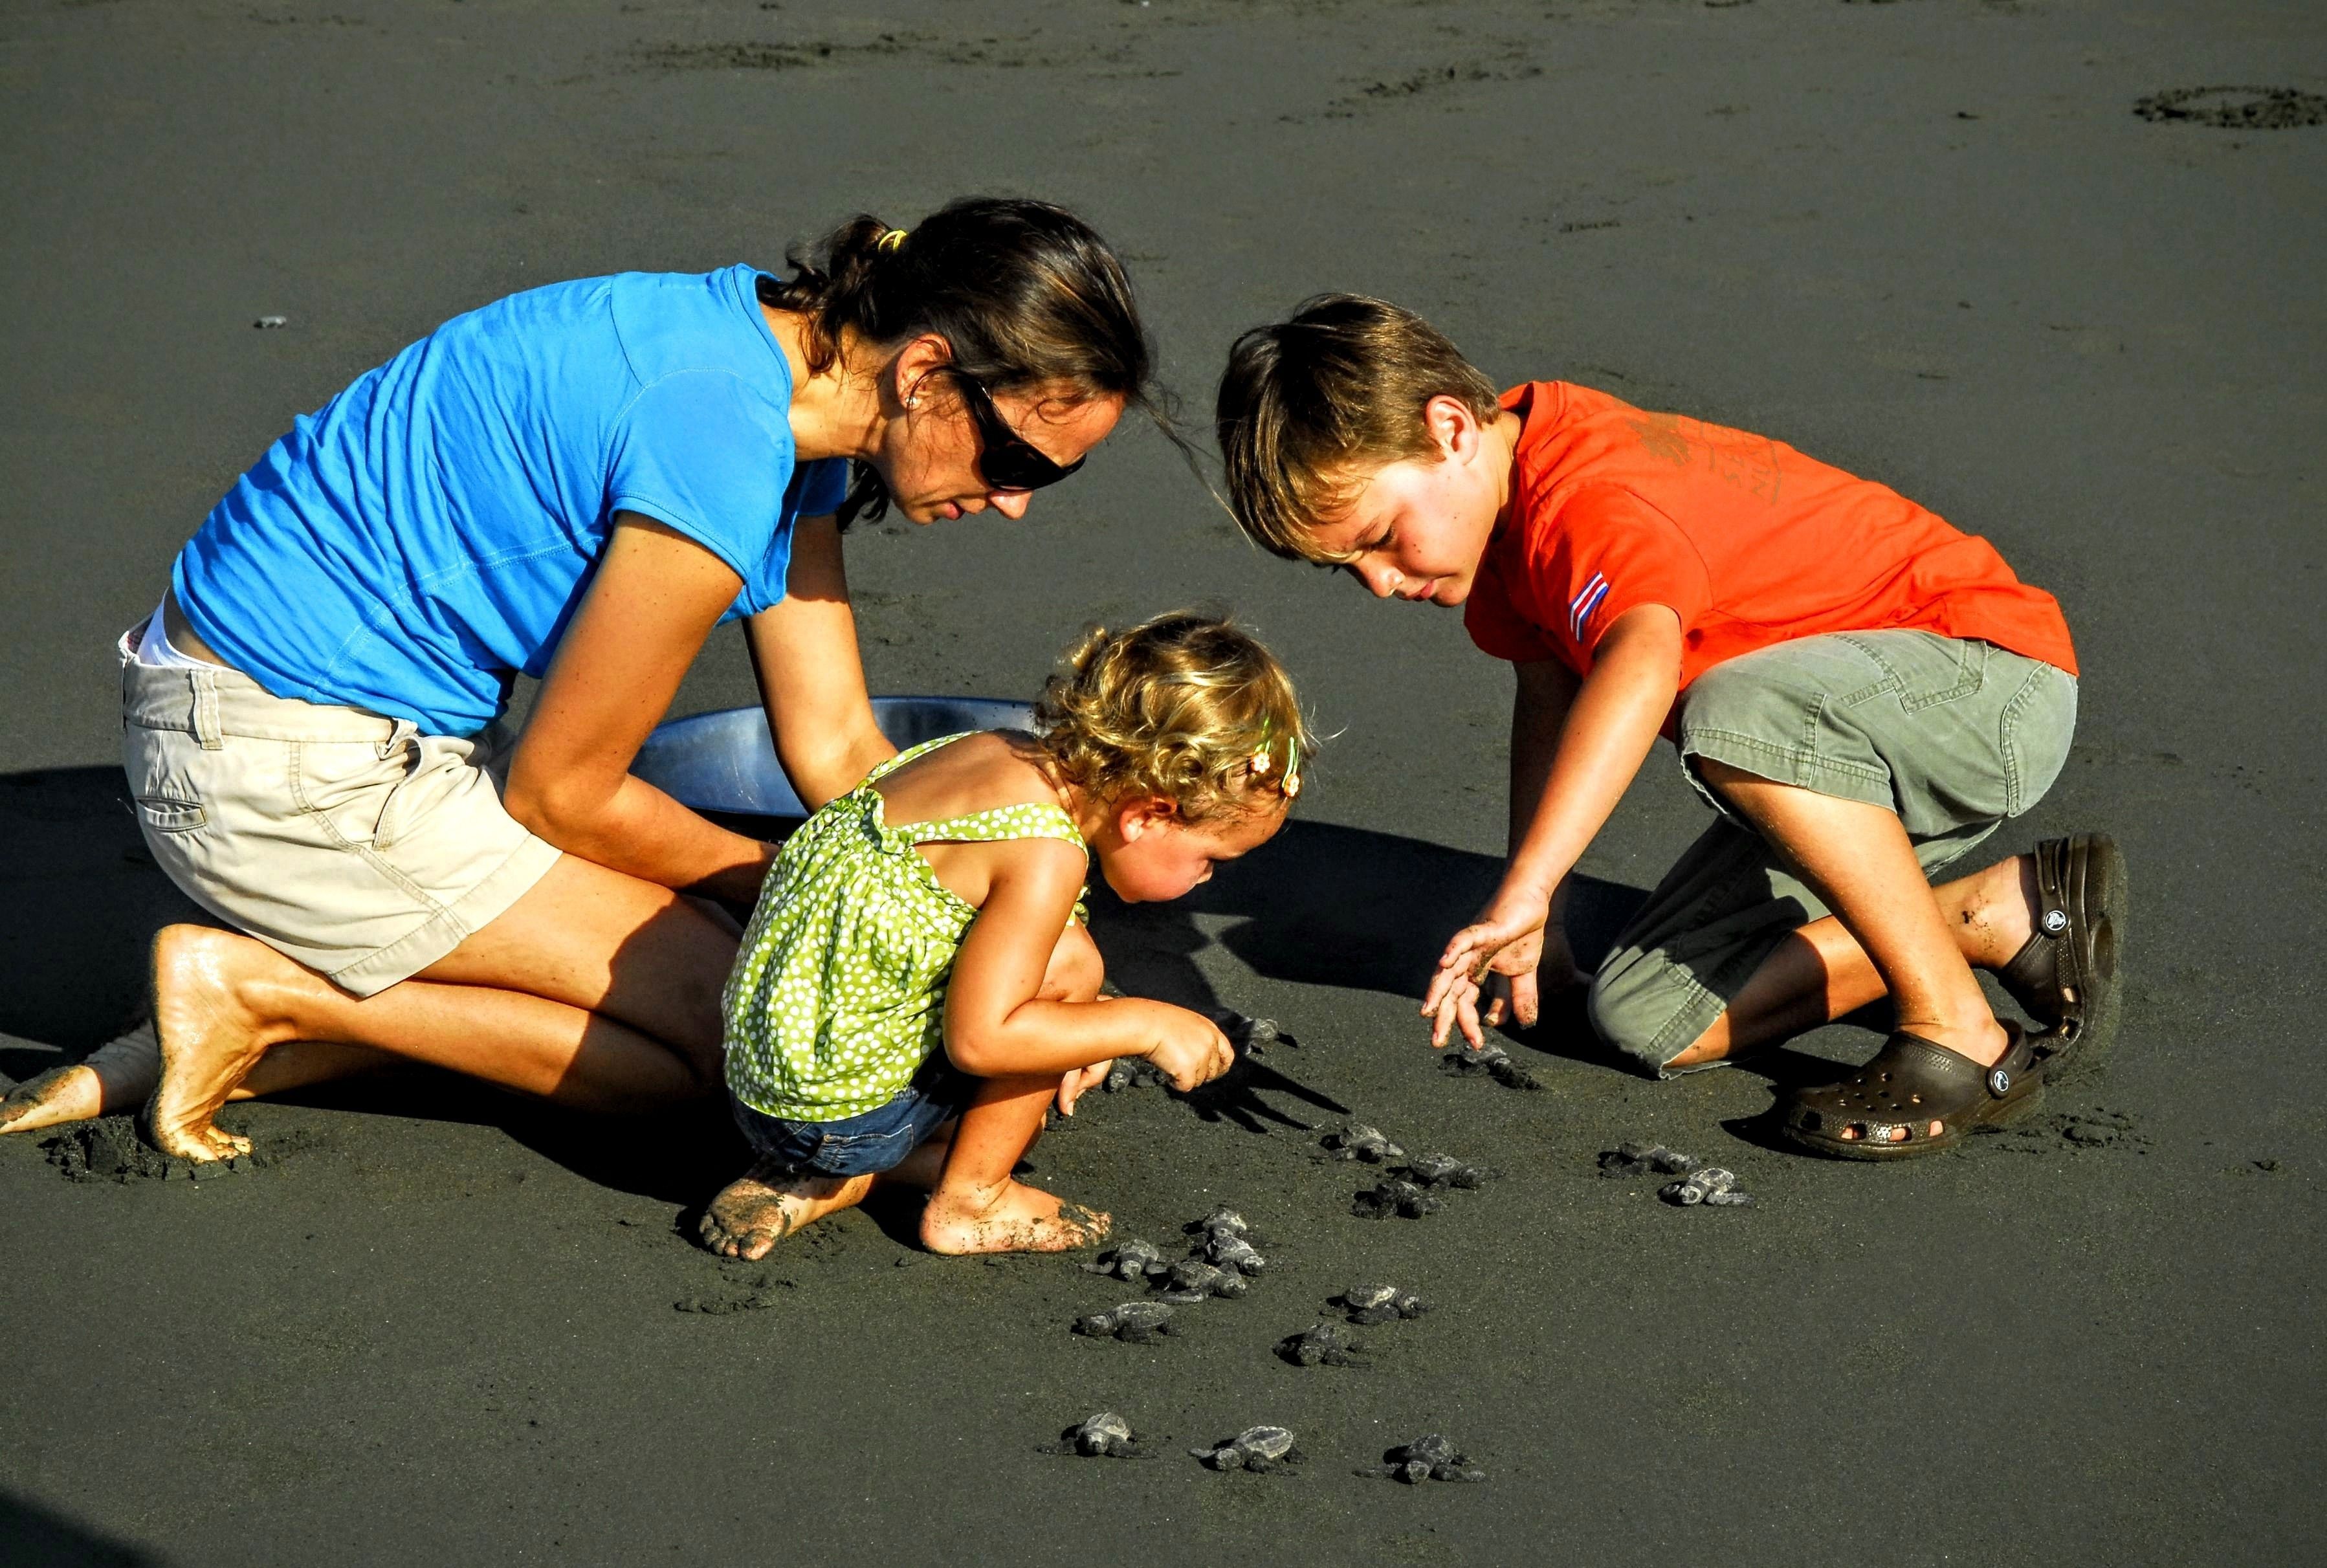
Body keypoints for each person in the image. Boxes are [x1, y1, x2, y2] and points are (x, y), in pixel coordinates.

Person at [0, 197, 1164, 1164]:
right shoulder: (718, 440)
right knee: (738, 1033)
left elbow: (839, 747)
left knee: (765, 957)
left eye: (1044, 481)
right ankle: (260, 990)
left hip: (321, 727)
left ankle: (239, 1019)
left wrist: (1016, 903)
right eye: (1014, 457)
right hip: (281, 766)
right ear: (924, 371)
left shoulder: (787, 375)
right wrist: (817, 889)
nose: (1013, 501)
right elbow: (559, 791)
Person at [1213, 294, 2126, 1160]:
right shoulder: (1500, 544)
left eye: (1379, 535)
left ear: (1450, 429)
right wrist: (1547, 914)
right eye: (1346, 568)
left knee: (1730, 708)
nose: (1378, 580)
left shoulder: (1586, 493)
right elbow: (1551, 694)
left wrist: (1524, 889)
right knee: (1651, 1019)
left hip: (1984, 682)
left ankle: (1955, 1026)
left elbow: (1640, 660)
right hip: (1833, 757)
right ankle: (1995, 913)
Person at [697, 612, 1311, 1258]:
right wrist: (1144, 1023)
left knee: (1060, 966)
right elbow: (981, 1038)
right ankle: (970, 1200)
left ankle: (822, 1173)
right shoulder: (1046, 853)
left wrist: (1083, 1027)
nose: (1205, 880)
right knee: (1069, 976)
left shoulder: (989, 752)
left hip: (758, 1078)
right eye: (1210, 858)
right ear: (1146, 815)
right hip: (831, 1112)